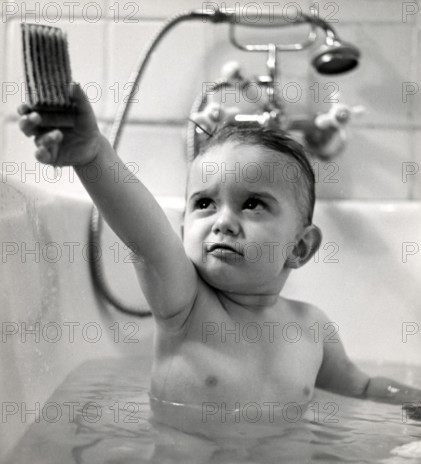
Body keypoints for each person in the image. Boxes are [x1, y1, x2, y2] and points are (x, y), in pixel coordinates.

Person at [17, 84, 421, 431]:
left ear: (300, 247)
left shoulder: (312, 328)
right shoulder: (186, 304)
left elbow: (362, 388)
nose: (223, 222)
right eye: (205, 202)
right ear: (182, 229)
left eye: (253, 204)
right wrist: (92, 156)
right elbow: (144, 239)